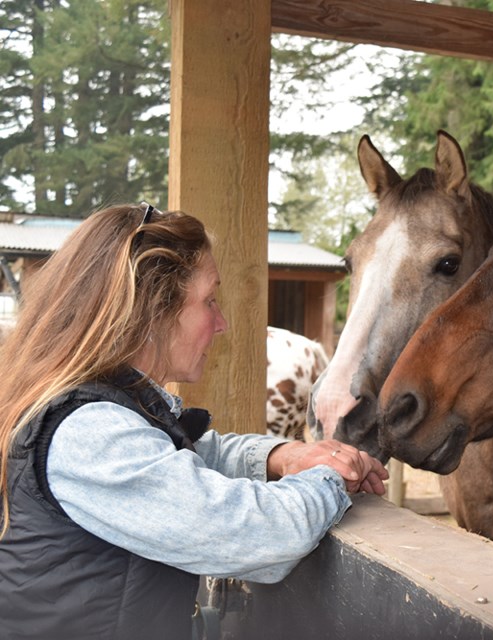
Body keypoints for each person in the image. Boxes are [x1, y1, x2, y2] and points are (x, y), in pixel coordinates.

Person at [0, 203, 389, 640]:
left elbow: (192, 454)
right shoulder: (89, 434)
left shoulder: (105, 406)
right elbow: (259, 534)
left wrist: (285, 455)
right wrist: (330, 477)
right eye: (209, 300)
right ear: (152, 311)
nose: (221, 323)